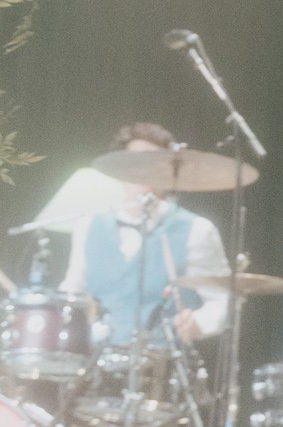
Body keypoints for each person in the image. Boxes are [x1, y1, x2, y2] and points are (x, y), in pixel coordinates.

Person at [63, 121, 229, 347]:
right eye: (137, 162)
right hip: (96, 359)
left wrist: (198, 322)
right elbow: (72, 293)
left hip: (162, 360)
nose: (146, 171)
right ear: (119, 169)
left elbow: (221, 301)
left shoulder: (197, 230)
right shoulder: (88, 226)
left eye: (155, 163)